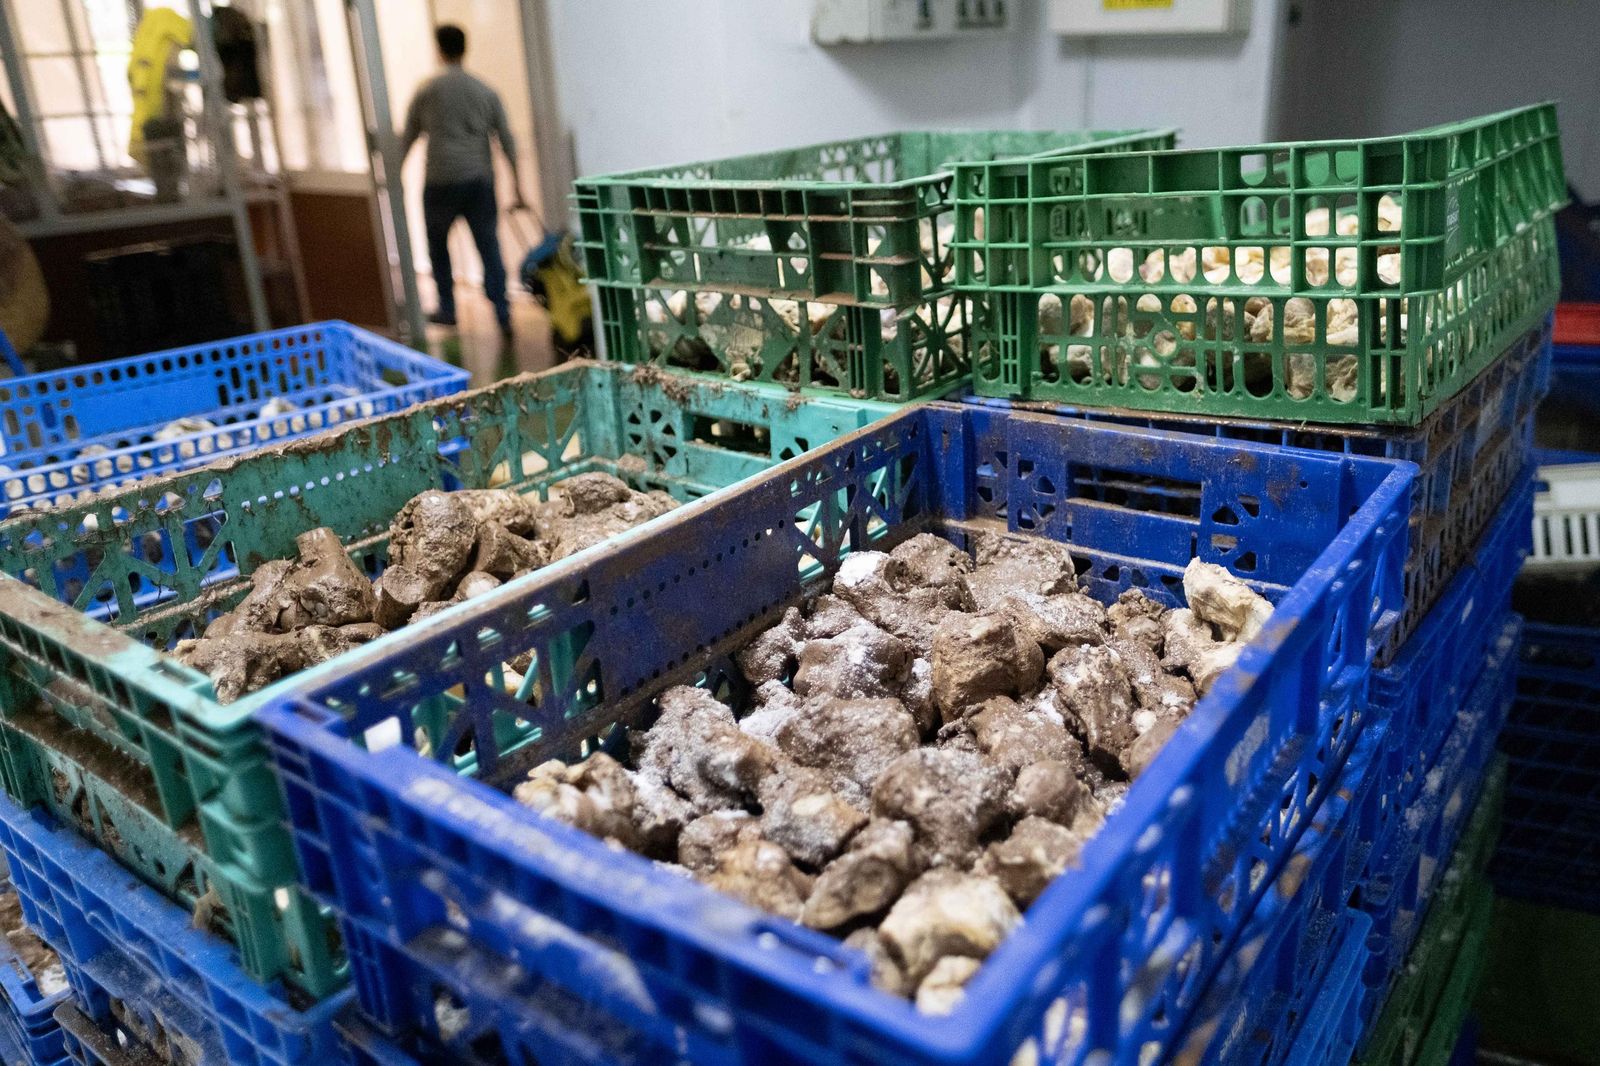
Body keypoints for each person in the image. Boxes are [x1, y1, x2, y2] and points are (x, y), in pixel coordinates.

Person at [401, 24, 529, 336]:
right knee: (488, 245)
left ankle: (447, 307)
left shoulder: (427, 91)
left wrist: (393, 176)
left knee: (438, 246)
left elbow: (408, 136)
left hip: (441, 180)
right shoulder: (484, 90)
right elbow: (507, 140)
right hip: (478, 180)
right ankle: (501, 310)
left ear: (439, 49)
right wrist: (517, 185)